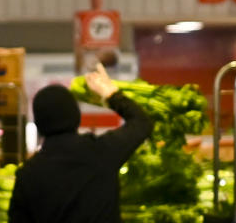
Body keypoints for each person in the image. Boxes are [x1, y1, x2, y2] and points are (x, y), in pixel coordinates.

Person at [8, 63, 153, 223]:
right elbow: (141, 122)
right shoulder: (102, 151)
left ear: (39, 125)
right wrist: (110, 94)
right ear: (75, 116)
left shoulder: (27, 175)